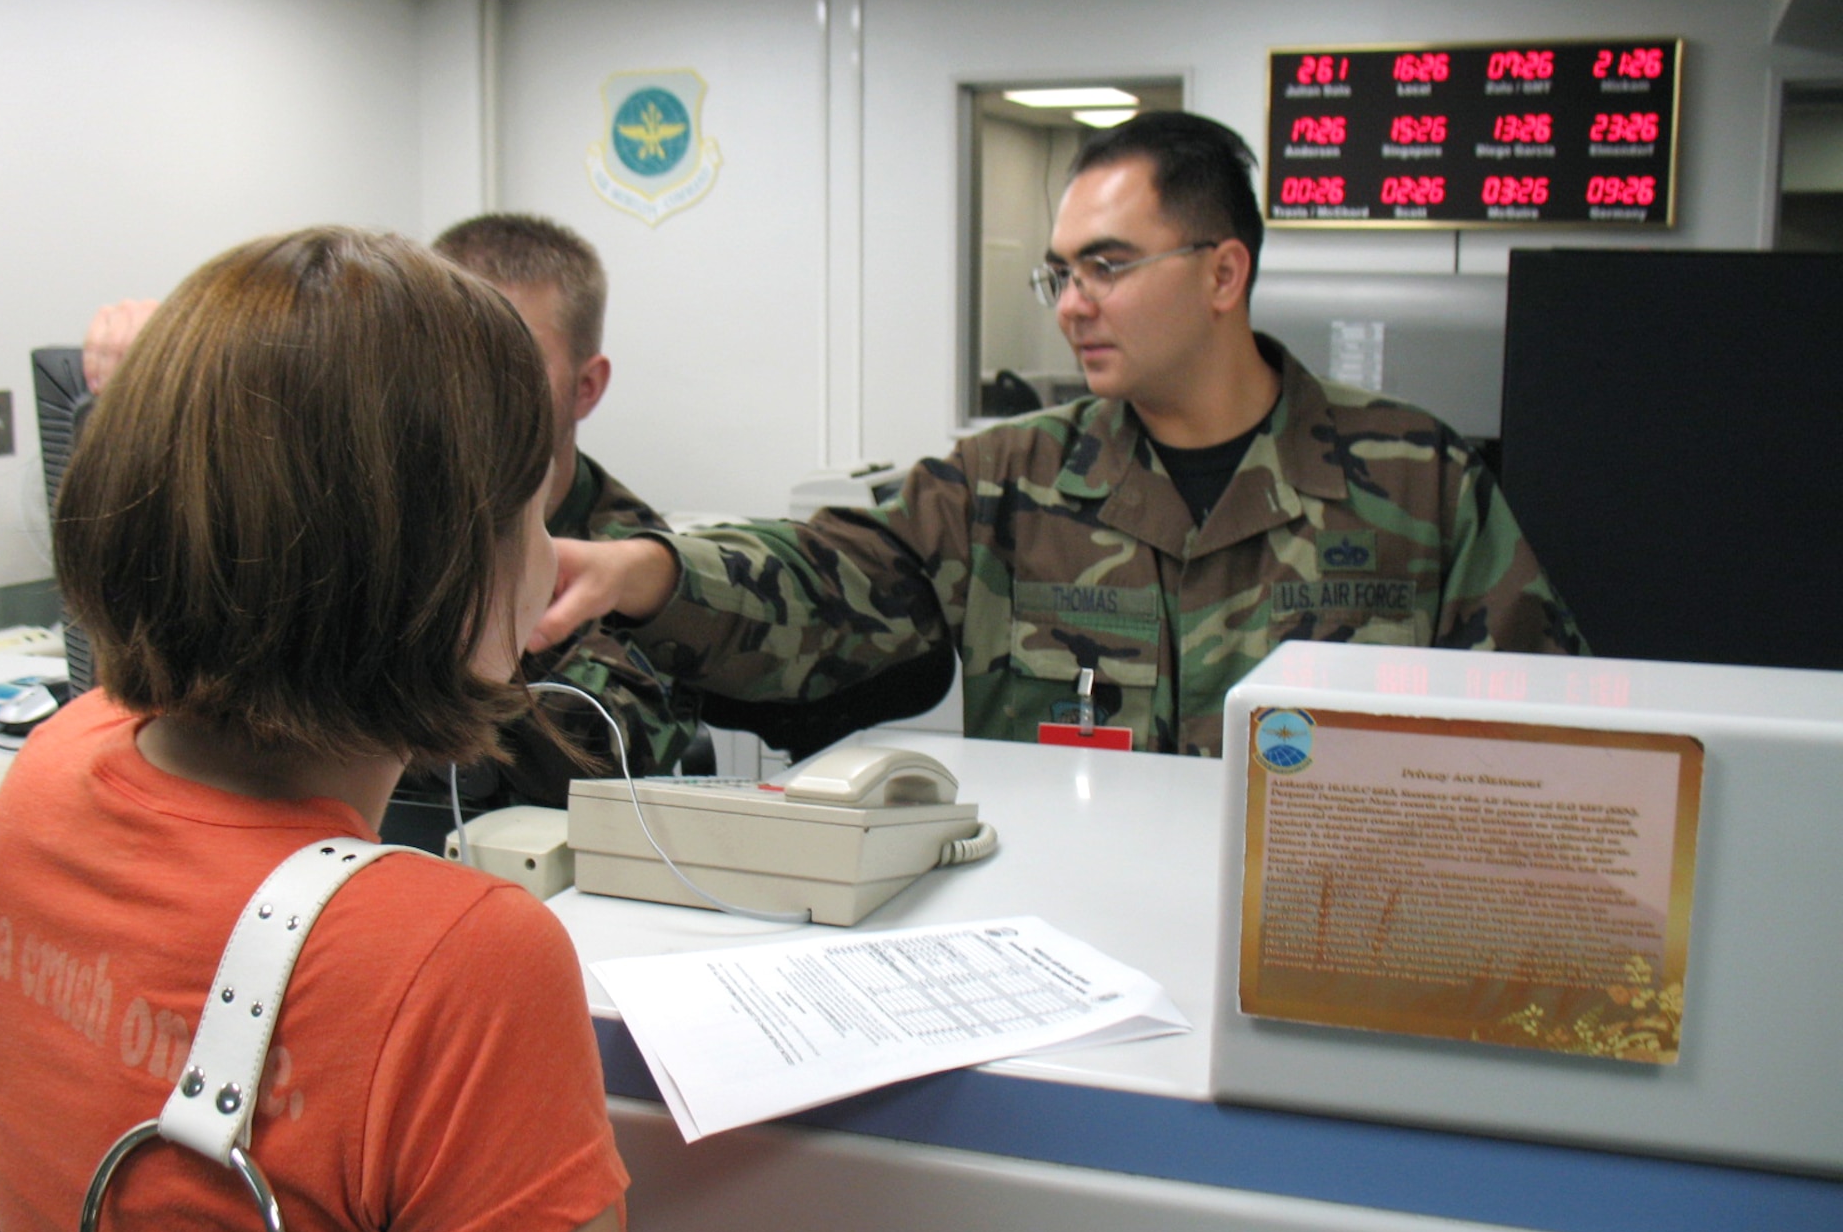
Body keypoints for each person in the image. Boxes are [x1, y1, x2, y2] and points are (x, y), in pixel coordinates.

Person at [0, 227, 655, 1232]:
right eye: (529, 514)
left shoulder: (52, 766)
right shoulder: (459, 966)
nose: (549, 558)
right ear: (436, 566)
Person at [531, 111, 1586, 756]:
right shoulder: (1006, 481)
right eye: (1060, 272)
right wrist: (650, 572)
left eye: (1108, 265)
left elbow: (1547, 733)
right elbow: (823, 578)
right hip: (1073, 947)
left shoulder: (1417, 484)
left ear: (1224, 272)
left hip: (1326, 946)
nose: (1070, 303)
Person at [82, 213, 700, 806]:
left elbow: (604, 749)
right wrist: (196, 393)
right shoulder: (351, 507)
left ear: (584, 386)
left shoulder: (629, 561)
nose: (465, 390)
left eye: (514, 363)